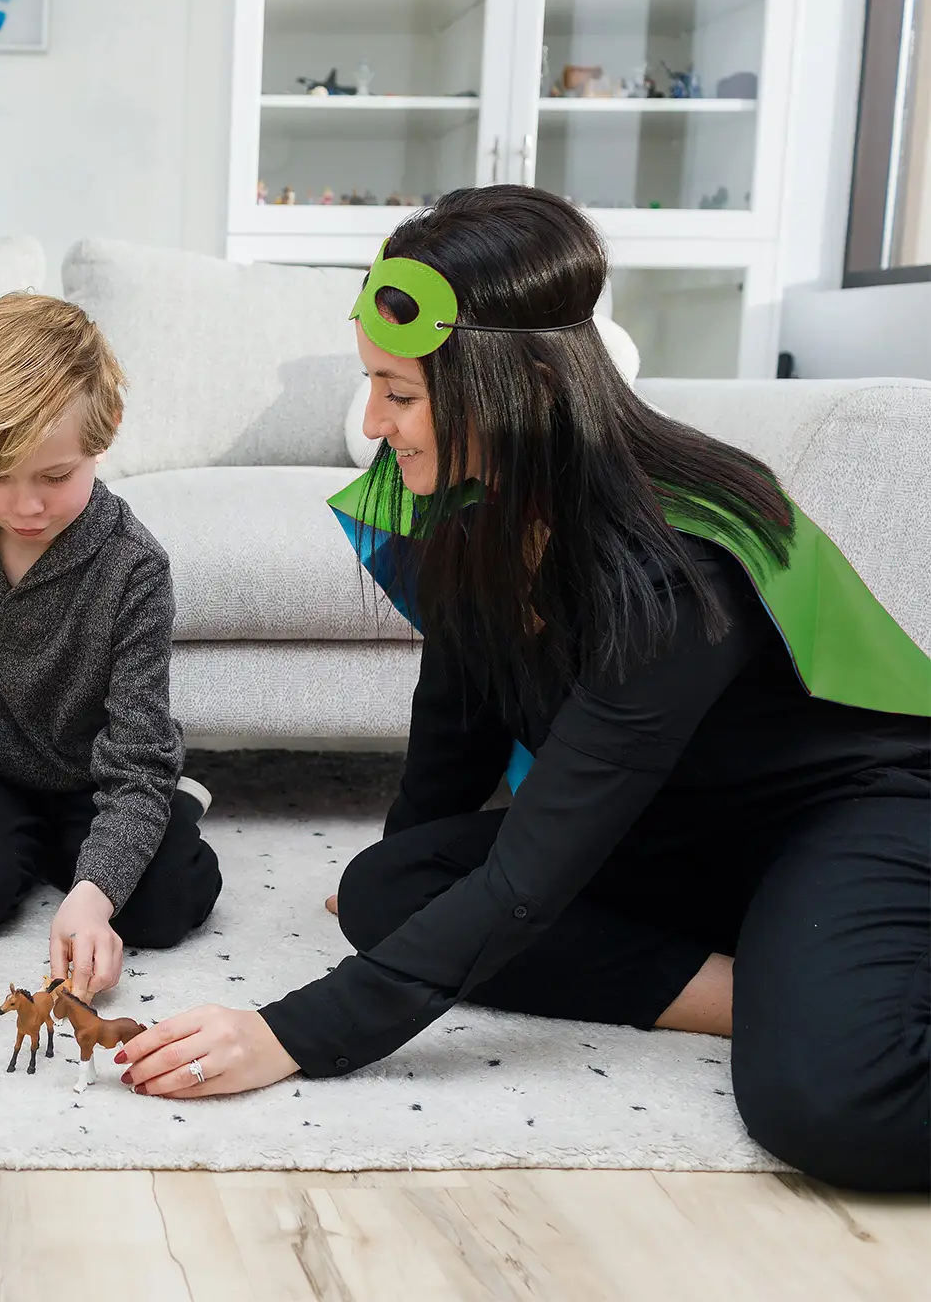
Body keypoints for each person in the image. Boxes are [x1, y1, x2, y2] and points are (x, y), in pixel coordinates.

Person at [120, 186, 930, 1193]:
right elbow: (459, 709)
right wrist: (410, 849)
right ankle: (754, 988)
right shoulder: (473, 501)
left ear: (525, 389)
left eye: (400, 396)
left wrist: (292, 1034)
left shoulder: (677, 562)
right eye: (373, 387)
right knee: (388, 893)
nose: (374, 424)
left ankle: (820, 994)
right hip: (672, 825)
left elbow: (533, 877)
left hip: (841, 821)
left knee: (831, 1104)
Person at [0, 292, 222, 997]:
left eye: (55, 476)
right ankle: (65, 854)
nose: (27, 505)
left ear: (107, 428)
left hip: (100, 775)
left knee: (164, 904)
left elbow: (137, 748)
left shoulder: (134, 567)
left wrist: (95, 892)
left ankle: (146, 822)